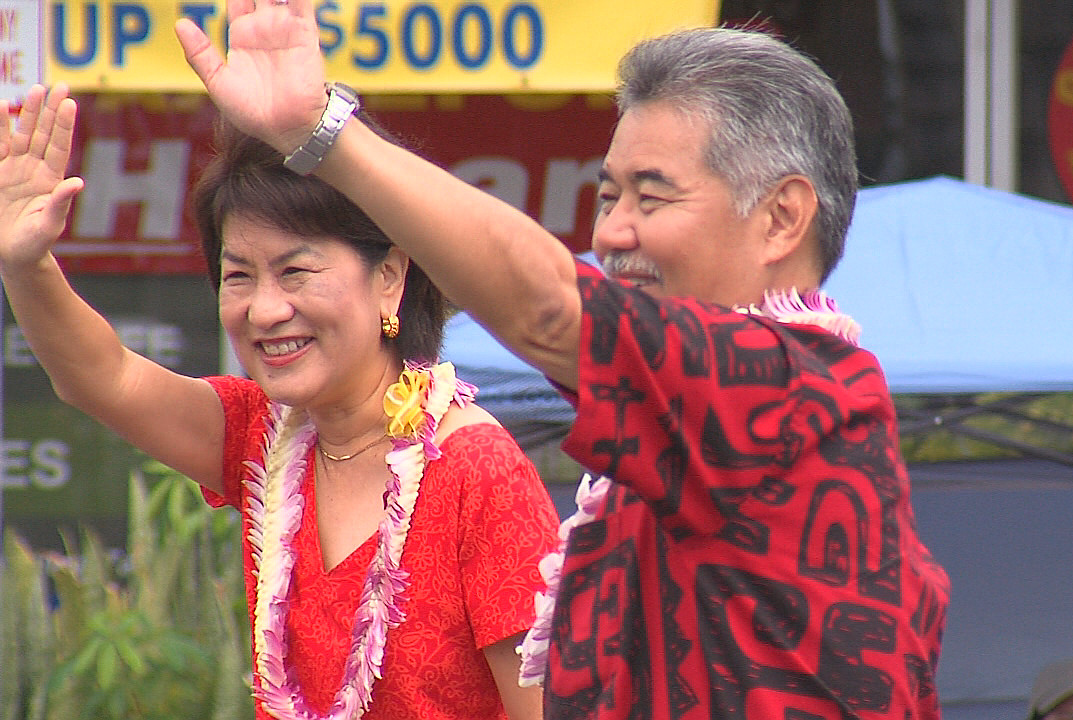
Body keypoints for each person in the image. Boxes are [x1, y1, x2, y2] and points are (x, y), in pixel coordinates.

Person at [189, 7, 944, 719]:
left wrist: (322, 135)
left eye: (651, 198)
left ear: (781, 216)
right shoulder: (678, 426)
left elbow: (547, 306)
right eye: (607, 195)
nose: (611, 233)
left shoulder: (795, 389)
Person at [0, 85, 562, 720]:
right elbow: (103, 377)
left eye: (296, 272)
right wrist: (26, 264)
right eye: (239, 276)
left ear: (390, 277)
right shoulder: (260, 439)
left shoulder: (476, 471)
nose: (265, 310)